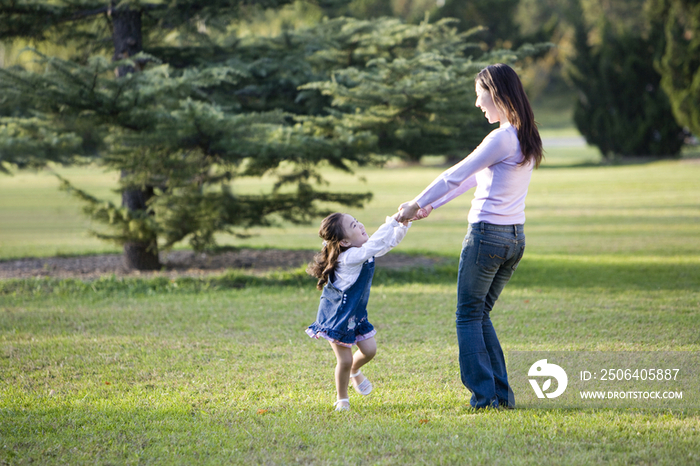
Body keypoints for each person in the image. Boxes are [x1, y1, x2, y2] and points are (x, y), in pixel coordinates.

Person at [396, 63, 543, 409]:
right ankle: (500, 396)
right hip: (513, 239)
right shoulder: (524, 134)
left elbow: (454, 173)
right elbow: (470, 180)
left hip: (486, 239)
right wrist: (430, 207)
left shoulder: (501, 137)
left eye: (480, 96)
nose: (477, 104)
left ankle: (485, 397)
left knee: (467, 315)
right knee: (480, 315)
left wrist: (413, 204)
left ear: (497, 94)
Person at [306, 212, 411, 411]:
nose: (360, 225)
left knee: (370, 350)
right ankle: (342, 399)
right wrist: (392, 221)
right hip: (337, 316)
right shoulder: (350, 258)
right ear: (344, 242)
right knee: (344, 360)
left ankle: (355, 370)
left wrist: (403, 225)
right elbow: (375, 244)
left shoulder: (361, 250)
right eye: (354, 226)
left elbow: (386, 244)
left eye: (357, 221)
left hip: (355, 314)